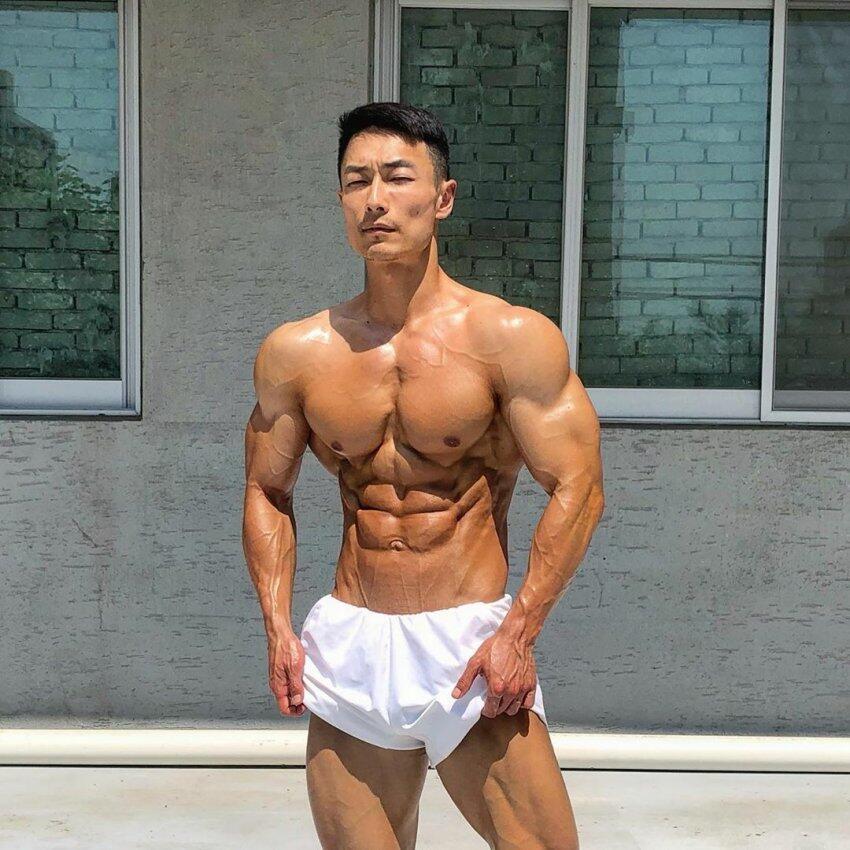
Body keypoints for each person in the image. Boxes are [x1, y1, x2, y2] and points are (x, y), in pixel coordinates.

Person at [243, 101, 604, 850]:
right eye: (356, 181)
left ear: (442, 198)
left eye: (397, 177)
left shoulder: (509, 338)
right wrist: (277, 627)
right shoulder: (298, 352)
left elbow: (579, 488)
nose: (374, 200)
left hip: (466, 648)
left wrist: (519, 631)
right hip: (350, 645)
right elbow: (267, 490)